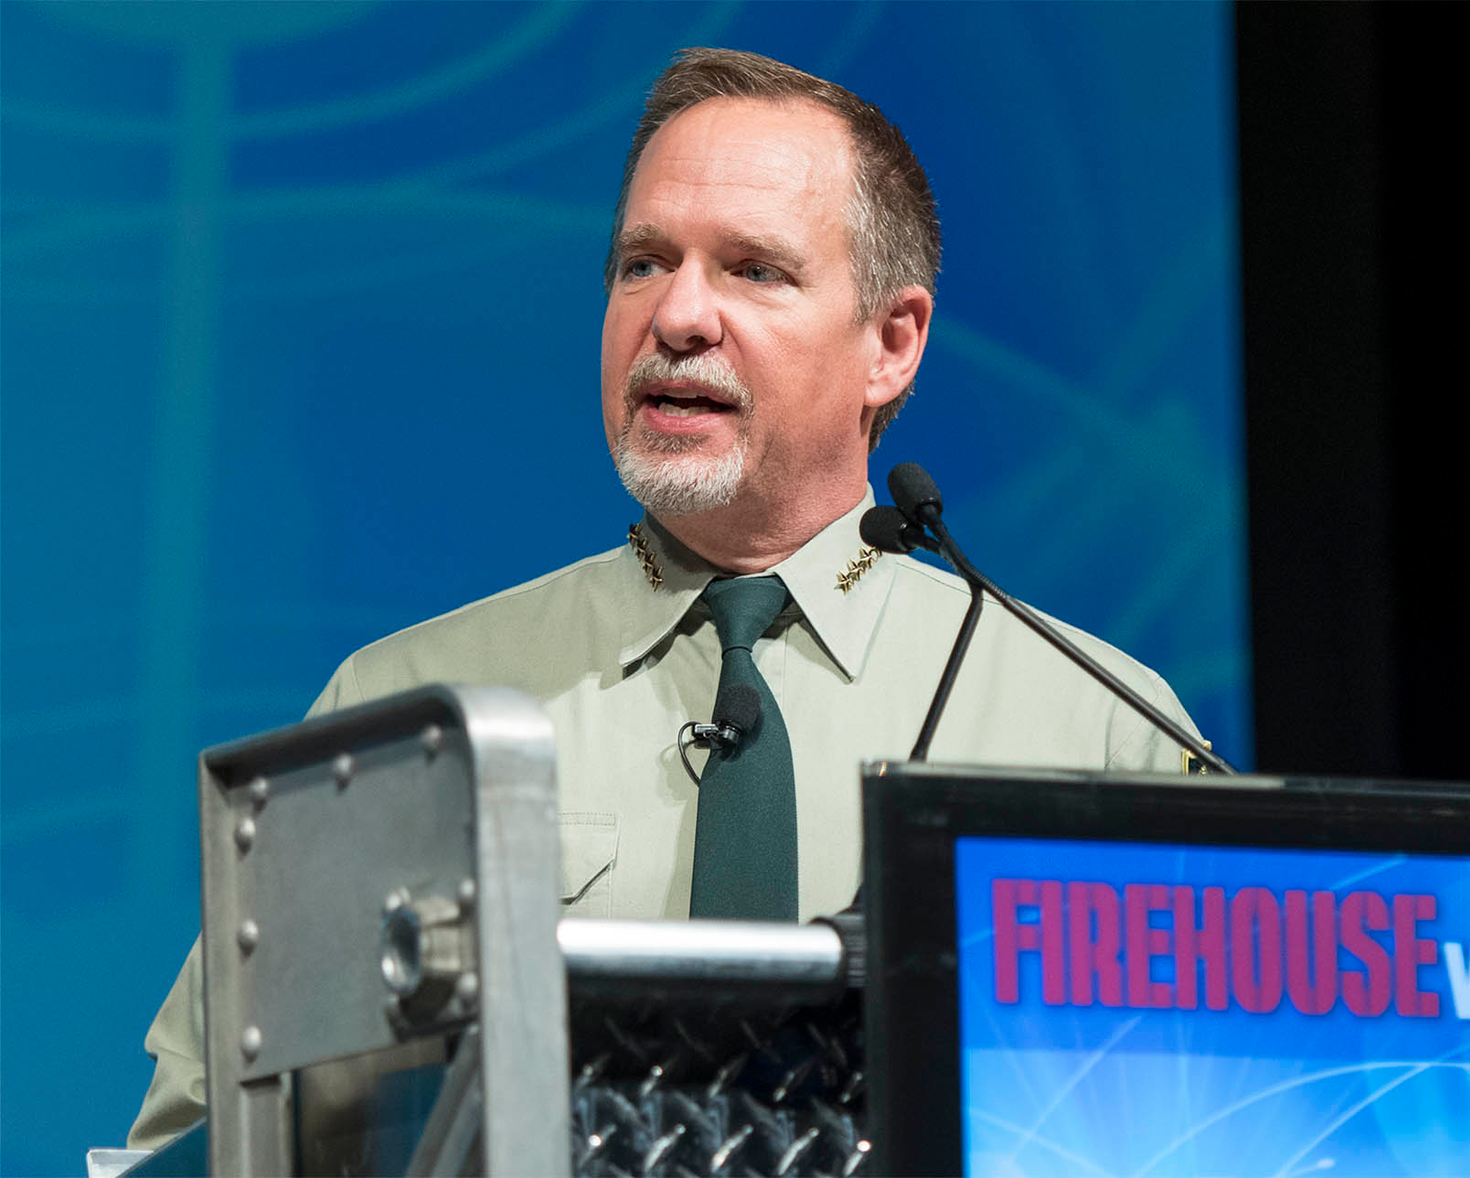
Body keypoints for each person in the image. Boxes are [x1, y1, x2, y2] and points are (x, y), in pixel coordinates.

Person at [128, 47, 1204, 1150]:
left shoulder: (1101, 726)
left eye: (752, 269)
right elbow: (212, 1140)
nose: (679, 314)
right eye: (643, 263)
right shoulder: (403, 715)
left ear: (891, 344)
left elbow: (1204, 1127)